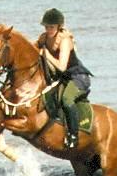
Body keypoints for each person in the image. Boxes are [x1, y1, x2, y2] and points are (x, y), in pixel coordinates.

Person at [36, 8, 93, 149]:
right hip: (63, 79)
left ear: (59, 26)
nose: (49, 29)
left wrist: (47, 55)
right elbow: (31, 49)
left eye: (52, 27)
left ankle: (74, 136)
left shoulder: (65, 41)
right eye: (46, 26)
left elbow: (61, 67)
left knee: (67, 100)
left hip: (78, 77)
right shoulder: (44, 38)